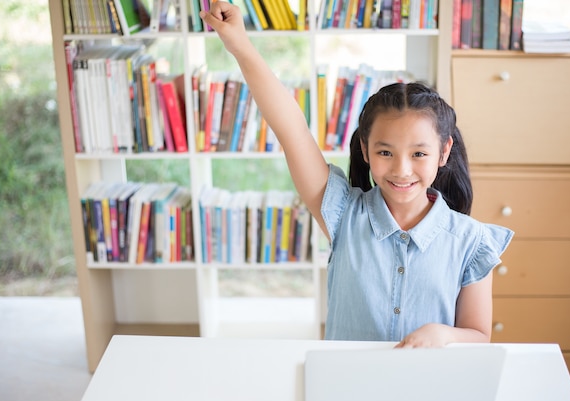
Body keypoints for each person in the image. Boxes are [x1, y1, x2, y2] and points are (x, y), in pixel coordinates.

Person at [200, 2, 514, 348]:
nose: (401, 170)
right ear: (365, 151)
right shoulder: (341, 212)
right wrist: (240, 45)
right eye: (385, 152)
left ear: (443, 152)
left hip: (428, 391)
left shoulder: (471, 241)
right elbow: (291, 129)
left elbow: (478, 336)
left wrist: (444, 334)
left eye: (419, 154)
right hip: (344, 387)